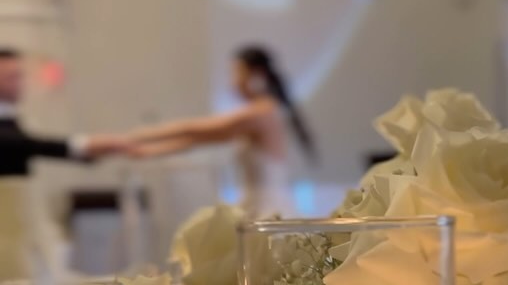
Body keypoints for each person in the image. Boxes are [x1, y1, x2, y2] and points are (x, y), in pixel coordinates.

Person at [128, 46, 316, 220]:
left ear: (257, 75)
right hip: (257, 207)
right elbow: (197, 139)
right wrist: (145, 151)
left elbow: (194, 129)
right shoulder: (262, 111)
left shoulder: (261, 112)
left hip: (269, 211)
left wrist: (134, 137)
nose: (234, 82)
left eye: (238, 73)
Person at [0, 48, 127, 175]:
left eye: (20, 76)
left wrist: (98, 148)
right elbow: (16, 143)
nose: (20, 83)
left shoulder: (9, 114)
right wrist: (85, 146)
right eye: (11, 77)